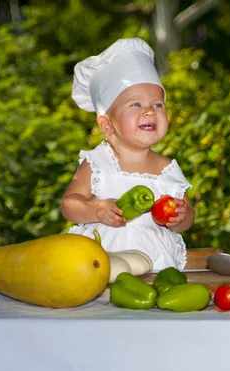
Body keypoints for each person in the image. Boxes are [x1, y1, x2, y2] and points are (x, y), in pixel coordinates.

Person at [61, 38, 195, 271]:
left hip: (158, 267)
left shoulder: (167, 168)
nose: (149, 112)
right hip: (103, 264)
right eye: (135, 105)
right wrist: (97, 209)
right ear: (106, 124)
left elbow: (188, 219)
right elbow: (69, 204)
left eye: (157, 105)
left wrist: (182, 217)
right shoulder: (98, 163)